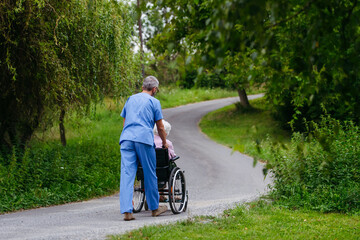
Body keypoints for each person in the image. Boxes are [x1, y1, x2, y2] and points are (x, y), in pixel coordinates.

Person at [119, 76, 168, 221]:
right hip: (143, 139)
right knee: (149, 173)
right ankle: (154, 208)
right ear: (154, 89)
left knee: (127, 174)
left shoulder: (130, 99)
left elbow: (125, 122)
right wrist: (164, 142)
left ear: (142, 87)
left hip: (127, 139)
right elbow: (160, 127)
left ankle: (127, 211)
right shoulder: (154, 102)